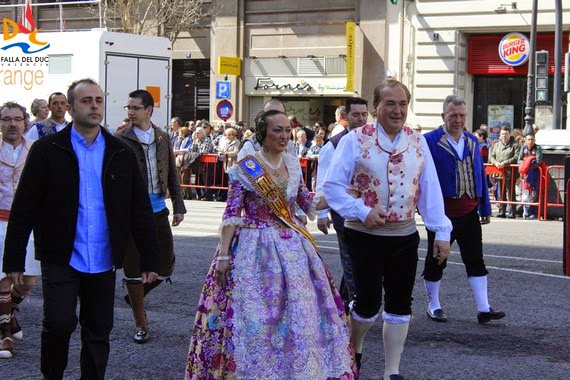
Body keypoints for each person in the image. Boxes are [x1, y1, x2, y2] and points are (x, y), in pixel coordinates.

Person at [2, 78, 160, 379]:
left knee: (98, 332)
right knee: (58, 326)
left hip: (102, 258)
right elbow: (24, 208)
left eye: (98, 100)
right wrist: (13, 260)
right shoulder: (47, 150)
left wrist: (149, 258)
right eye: (86, 100)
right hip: (61, 256)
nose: (94, 106)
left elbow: (139, 210)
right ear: (71, 107)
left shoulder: (121, 152)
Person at [185, 109, 356, 379]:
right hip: (254, 250)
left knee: (298, 313)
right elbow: (231, 214)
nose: (285, 135)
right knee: (256, 317)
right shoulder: (246, 167)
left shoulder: (291, 163)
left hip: (293, 250)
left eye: (288, 130)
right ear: (263, 133)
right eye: (278, 130)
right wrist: (223, 256)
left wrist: (341, 193)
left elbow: (306, 202)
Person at [323, 79, 452, 378]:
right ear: (376, 107)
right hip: (364, 235)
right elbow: (332, 187)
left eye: (403, 103)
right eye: (390, 104)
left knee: (400, 303)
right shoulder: (355, 140)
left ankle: (391, 370)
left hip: (404, 236)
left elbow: (429, 190)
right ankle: (355, 346)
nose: (397, 110)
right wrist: (361, 210)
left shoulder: (418, 142)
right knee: (367, 304)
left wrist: (441, 232)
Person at [422, 95, 506, 327]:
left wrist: (484, 206)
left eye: (462, 115)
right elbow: (423, 178)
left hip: (469, 211)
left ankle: (483, 308)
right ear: (443, 117)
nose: (458, 120)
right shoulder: (428, 140)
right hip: (442, 214)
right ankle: (434, 305)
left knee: (475, 259)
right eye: (453, 116)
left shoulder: (471, 140)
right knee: (437, 260)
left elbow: (479, 173)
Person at [115, 89, 186, 344]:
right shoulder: (120, 137)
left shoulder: (162, 137)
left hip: (158, 210)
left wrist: (179, 205)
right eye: (128, 108)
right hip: (132, 213)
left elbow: (172, 174)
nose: (130, 112)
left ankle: (134, 296)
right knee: (134, 270)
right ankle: (140, 323)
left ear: (149, 110)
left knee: (164, 266)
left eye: (135, 108)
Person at [315, 97, 369, 312]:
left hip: (367, 210)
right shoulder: (333, 145)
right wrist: (322, 214)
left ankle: (342, 302)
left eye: (364, 114)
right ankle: (355, 305)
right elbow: (324, 182)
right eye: (356, 115)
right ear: (346, 117)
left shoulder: (372, 140)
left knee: (359, 259)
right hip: (342, 211)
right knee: (351, 257)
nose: (361, 119)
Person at [0, 102, 40, 359]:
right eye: (6, 119)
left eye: (17, 119)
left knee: (27, 282)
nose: (13, 124)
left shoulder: (36, 150)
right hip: (0, 221)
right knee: (3, 280)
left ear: (25, 123)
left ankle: (9, 314)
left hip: (29, 223)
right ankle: (4, 332)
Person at [489, 127, 520, 218]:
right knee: (501, 193)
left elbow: (516, 157)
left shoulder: (515, 145)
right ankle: (502, 211)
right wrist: (495, 163)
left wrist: (504, 163)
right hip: (499, 172)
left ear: (509, 134)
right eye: (502, 134)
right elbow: (492, 156)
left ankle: (512, 212)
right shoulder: (496, 145)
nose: (504, 136)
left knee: (511, 193)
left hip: (511, 173)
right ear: (500, 135)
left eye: (506, 134)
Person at [518, 133, 544, 220]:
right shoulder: (524, 148)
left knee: (535, 193)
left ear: (535, 140)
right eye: (528, 139)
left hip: (535, 173)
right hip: (525, 174)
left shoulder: (538, 148)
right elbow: (519, 159)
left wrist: (529, 162)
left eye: (532, 139)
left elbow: (538, 161)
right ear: (525, 140)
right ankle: (526, 212)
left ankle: (534, 212)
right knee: (525, 194)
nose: (530, 141)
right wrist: (525, 163)